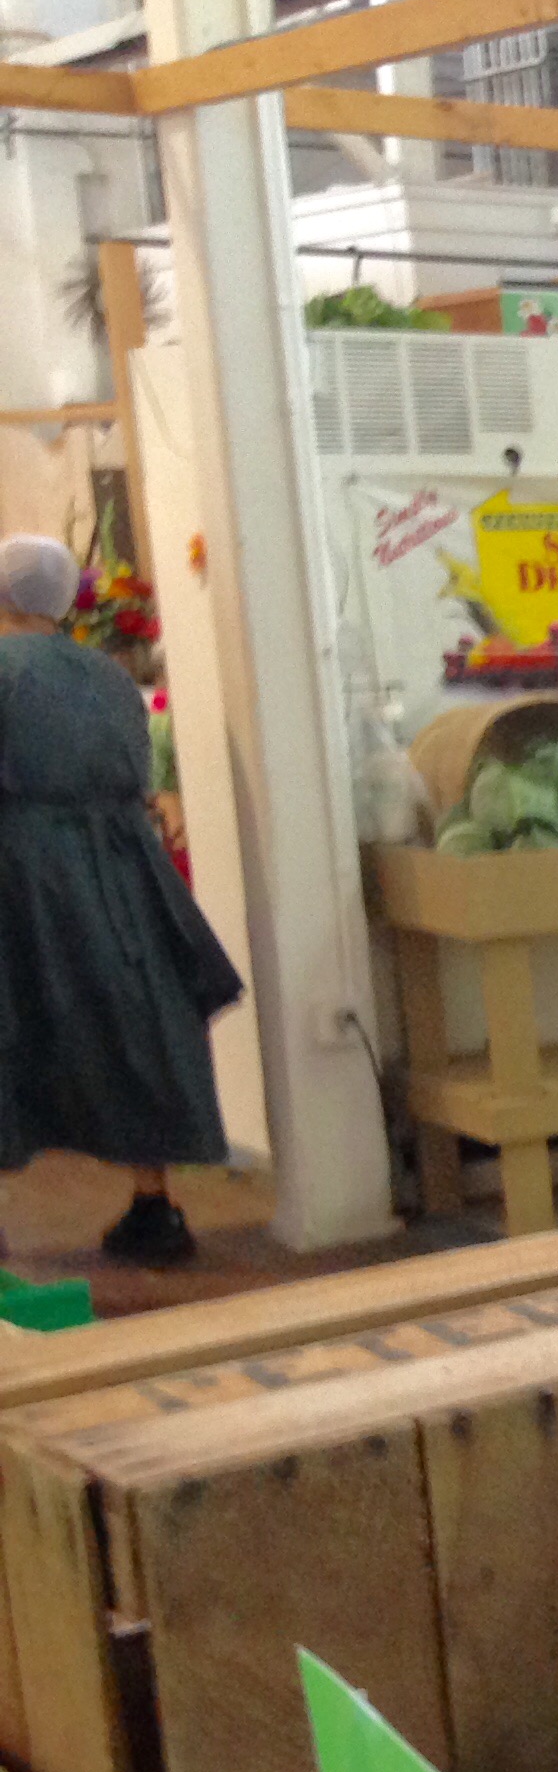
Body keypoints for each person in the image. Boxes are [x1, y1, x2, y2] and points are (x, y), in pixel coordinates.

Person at [0, 535, 247, 1266]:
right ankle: (154, 1207)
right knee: (138, 1025)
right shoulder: (108, 676)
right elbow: (137, 770)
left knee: (12, 1023)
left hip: (21, 866)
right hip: (121, 865)